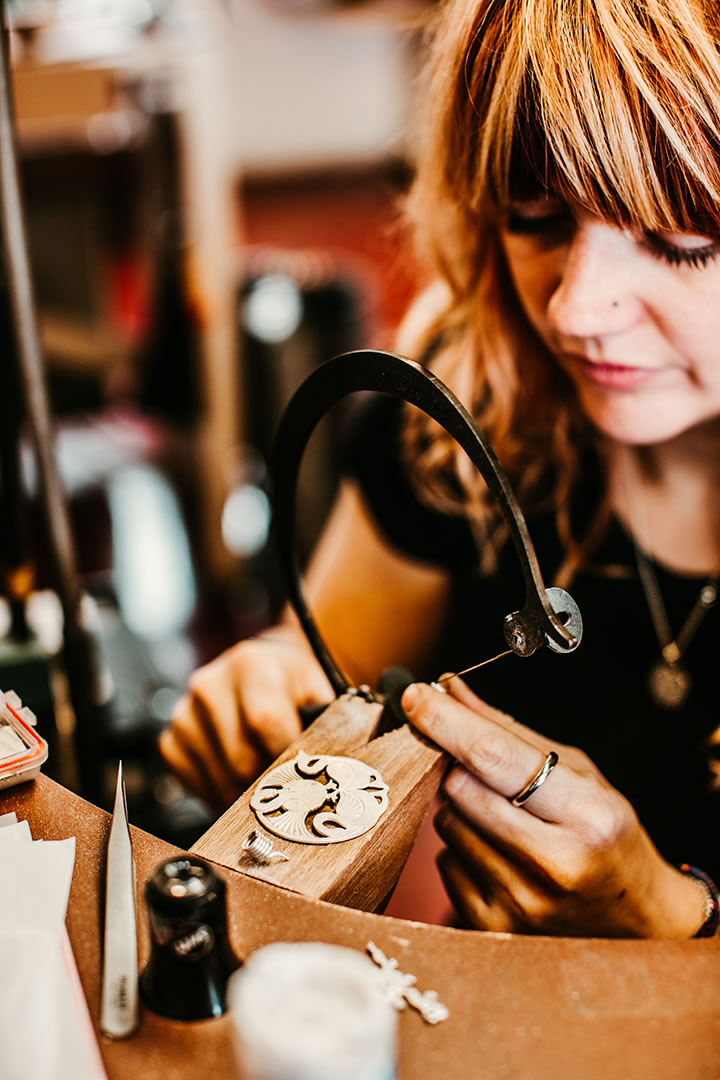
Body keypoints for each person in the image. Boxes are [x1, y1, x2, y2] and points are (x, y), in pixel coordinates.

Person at [159, 0, 720, 939]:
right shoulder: (462, 421)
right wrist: (268, 691)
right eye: (535, 220)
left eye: (684, 238)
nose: (579, 309)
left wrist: (674, 917)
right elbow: (326, 667)